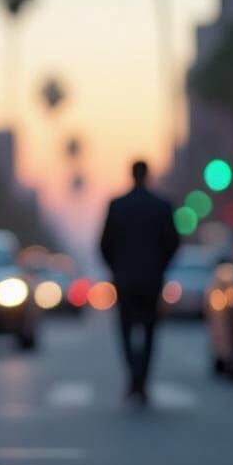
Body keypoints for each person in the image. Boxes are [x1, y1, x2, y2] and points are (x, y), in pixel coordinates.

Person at [99, 160, 180, 406]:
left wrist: (116, 269)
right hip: (151, 280)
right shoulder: (162, 206)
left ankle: (134, 377)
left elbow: (104, 244)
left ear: (131, 175)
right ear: (147, 175)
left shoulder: (117, 206)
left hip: (125, 280)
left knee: (125, 331)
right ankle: (141, 379)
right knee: (149, 330)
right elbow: (173, 243)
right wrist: (160, 268)